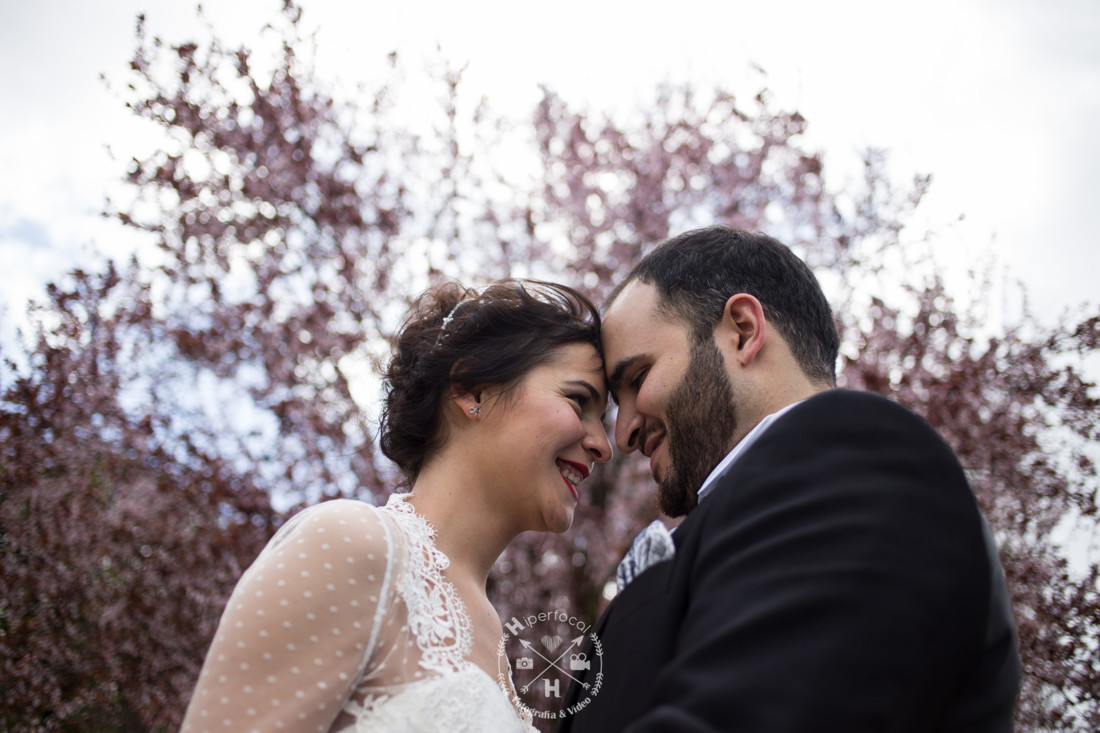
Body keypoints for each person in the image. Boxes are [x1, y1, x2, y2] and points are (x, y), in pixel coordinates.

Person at [560, 226, 1020, 732]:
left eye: (639, 378)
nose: (623, 434)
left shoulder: (859, 458)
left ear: (742, 330)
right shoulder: (747, 518)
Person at [180, 279, 612, 733]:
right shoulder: (349, 544)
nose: (602, 444)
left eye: (603, 420)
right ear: (472, 391)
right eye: (578, 400)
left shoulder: (495, 636)